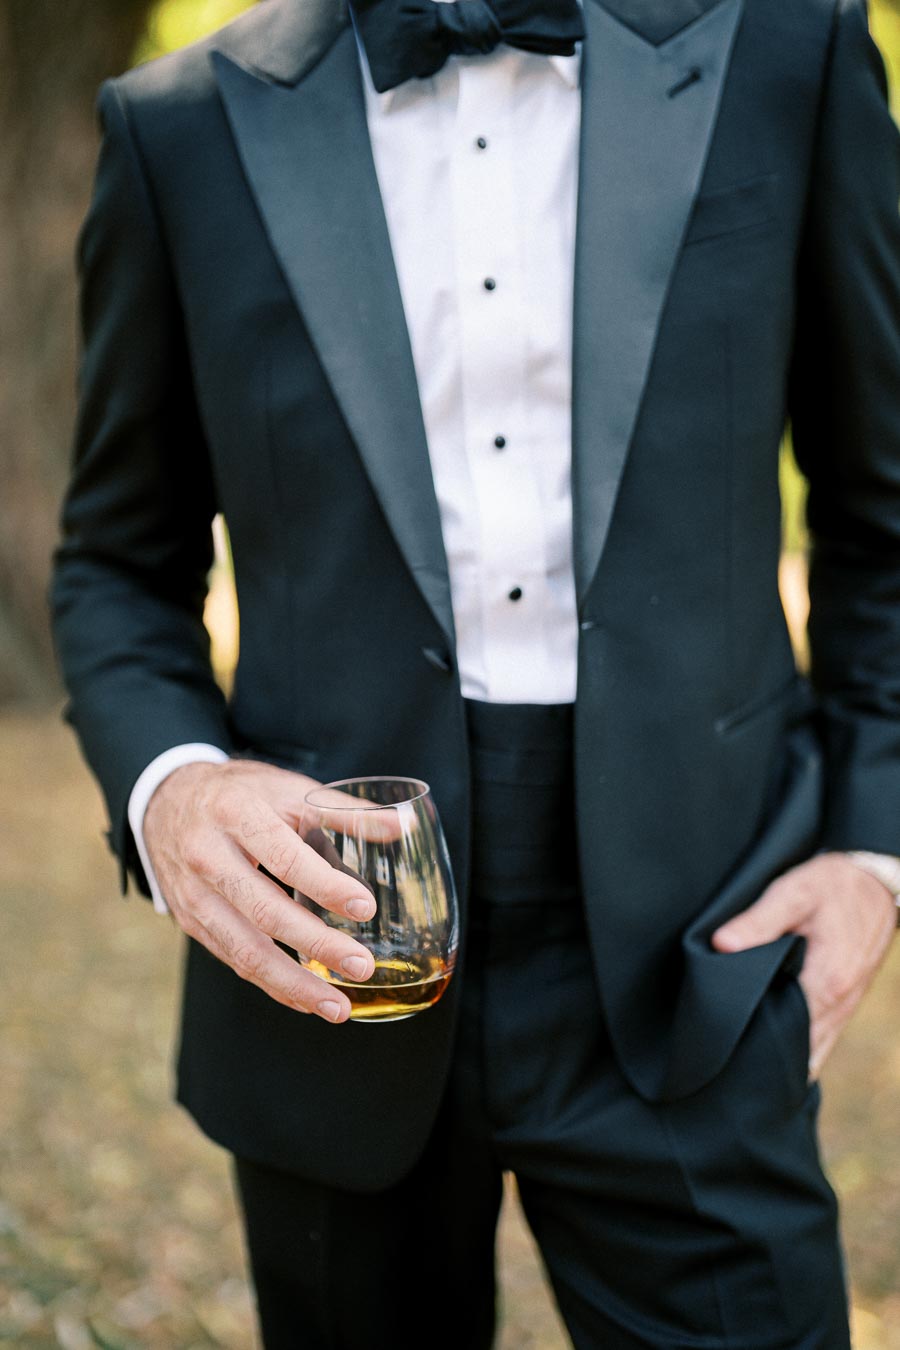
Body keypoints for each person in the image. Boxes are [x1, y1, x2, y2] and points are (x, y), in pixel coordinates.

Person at [52, 0, 900, 1344]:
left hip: (705, 954)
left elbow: (883, 517)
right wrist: (173, 789)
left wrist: (874, 847)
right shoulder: (181, 126)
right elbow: (114, 563)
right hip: (327, 951)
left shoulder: (789, 52)